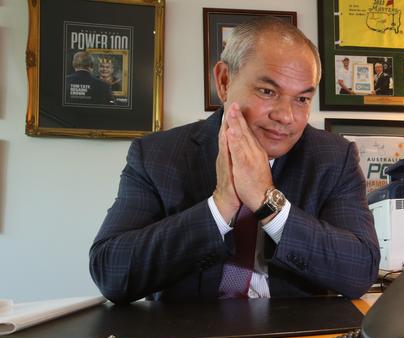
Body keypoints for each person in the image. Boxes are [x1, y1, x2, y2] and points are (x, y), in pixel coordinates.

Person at [89, 17, 380, 304]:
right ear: (224, 81)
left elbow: (359, 272)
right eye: (268, 91)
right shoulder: (156, 155)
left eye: (302, 99)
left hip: (293, 333)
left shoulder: (334, 157)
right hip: (188, 333)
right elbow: (112, 273)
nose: (286, 116)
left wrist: (269, 204)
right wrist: (220, 206)